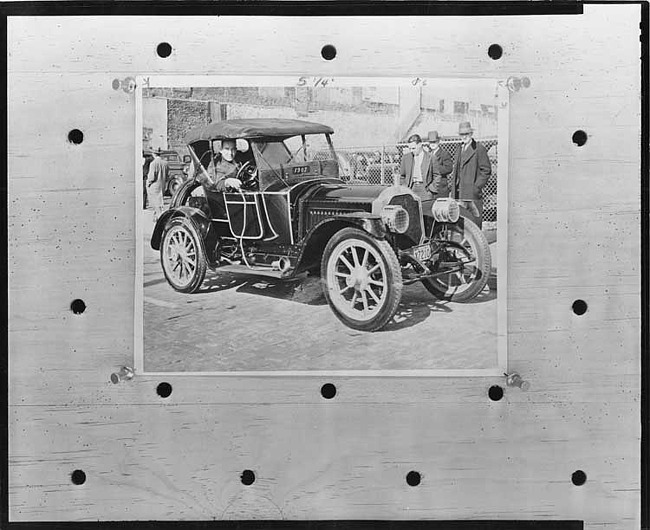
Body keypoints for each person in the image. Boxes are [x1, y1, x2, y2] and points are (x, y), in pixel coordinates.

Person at [451, 121, 491, 227]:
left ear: (471, 134)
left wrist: (476, 187)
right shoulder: (459, 148)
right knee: (461, 222)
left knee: (474, 222)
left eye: (466, 134)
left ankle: (474, 244)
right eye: (462, 134)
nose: (464, 137)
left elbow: (486, 170)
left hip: (472, 193)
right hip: (459, 192)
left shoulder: (479, 148)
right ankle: (463, 243)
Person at [399, 133, 434, 205]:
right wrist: (405, 188)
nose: (411, 150)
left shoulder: (430, 157)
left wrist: (431, 189)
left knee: (426, 210)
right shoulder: (406, 158)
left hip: (425, 189)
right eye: (410, 148)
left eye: (413, 148)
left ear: (420, 145)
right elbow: (402, 176)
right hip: (411, 188)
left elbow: (437, 175)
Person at [426, 130, 453, 199]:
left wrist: (435, 169)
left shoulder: (444, 154)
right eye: (431, 142)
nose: (432, 144)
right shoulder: (427, 155)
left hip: (441, 186)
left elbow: (449, 168)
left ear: (438, 142)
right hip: (430, 186)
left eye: (434, 142)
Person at [146, 148, 169, 223]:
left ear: (154, 154)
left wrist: (148, 183)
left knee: (156, 203)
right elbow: (167, 176)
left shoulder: (153, 163)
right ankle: (156, 217)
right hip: (162, 185)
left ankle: (159, 218)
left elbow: (152, 177)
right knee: (160, 202)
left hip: (154, 185)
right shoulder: (165, 163)